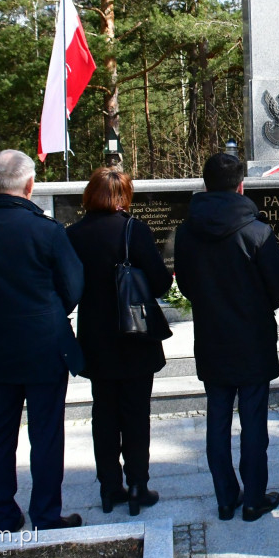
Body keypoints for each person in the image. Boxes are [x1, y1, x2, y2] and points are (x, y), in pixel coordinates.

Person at [0, 150, 84, 531]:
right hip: (44, 344)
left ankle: (4, 516)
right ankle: (45, 513)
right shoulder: (47, 231)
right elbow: (73, 287)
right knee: (45, 433)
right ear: (30, 185)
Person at [173, 153, 279, 522]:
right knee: (253, 420)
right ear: (242, 185)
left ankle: (226, 497)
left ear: (206, 184)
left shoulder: (188, 231)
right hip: (252, 336)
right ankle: (253, 498)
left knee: (218, 418)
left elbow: (188, 285)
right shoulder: (257, 231)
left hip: (213, 335)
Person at [66, 168, 173, 515]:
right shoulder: (133, 230)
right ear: (124, 196)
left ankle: (110, 488)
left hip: (96, 338)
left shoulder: (73, 234)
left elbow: (68, 288)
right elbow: (159, 284)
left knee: (104, 413)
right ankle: (138, 485)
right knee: (136, 414)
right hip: (135, 334)